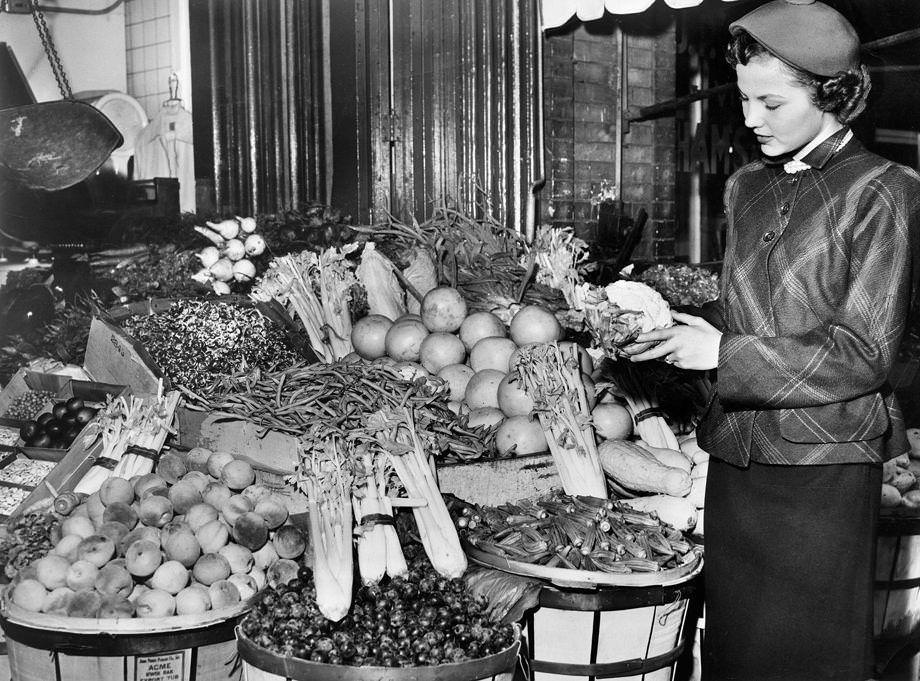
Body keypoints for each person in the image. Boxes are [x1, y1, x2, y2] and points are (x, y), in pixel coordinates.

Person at [623, 1, 920, 679]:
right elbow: (749, 312)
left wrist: (722, 355)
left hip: (821, 472)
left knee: (807, 660)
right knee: (735, 655)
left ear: (833, 95)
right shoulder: (746, 186)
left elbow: (865, 351)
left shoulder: (884, 191)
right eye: (745, 99)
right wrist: (674, 330)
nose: (751, 118)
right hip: (735, 463)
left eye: (772, 102)